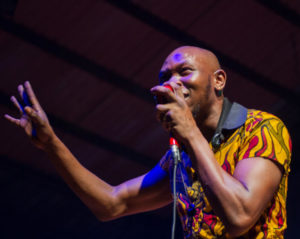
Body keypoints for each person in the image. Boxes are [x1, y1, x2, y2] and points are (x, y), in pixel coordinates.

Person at [5, 46, 291, 238]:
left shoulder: (261, 127)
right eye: (165, 77)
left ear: (218, 80)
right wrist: (51, 144)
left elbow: (240, 216)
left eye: (184, 72)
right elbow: (111, 204)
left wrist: (190, 133)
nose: (171, 83)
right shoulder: (181, 155)